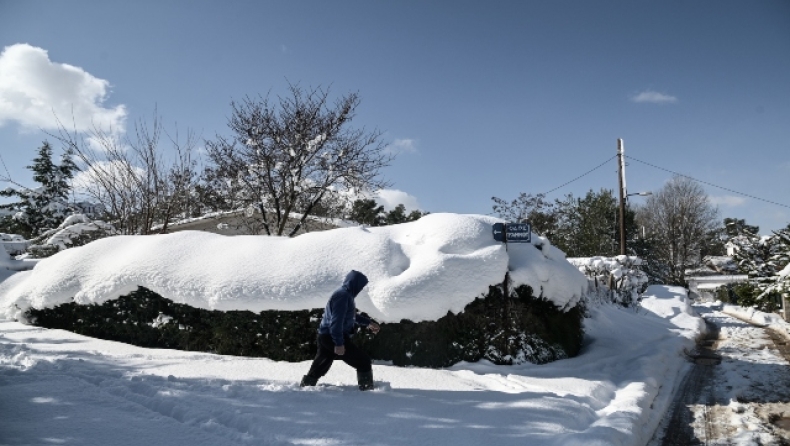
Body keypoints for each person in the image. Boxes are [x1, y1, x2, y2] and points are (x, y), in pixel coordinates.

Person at [300, 270, 381, 391]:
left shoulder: (346, 295)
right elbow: (336, 322)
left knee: (321, 364)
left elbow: (351, 316)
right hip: (332, 336)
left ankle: (305, 388)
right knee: (363, 361)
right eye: (361, 286)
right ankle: (367, 391)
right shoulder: (342, 296)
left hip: (326, 335)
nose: (361, 289)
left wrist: (368, 323)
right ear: (355, 284)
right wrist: (339, 343)